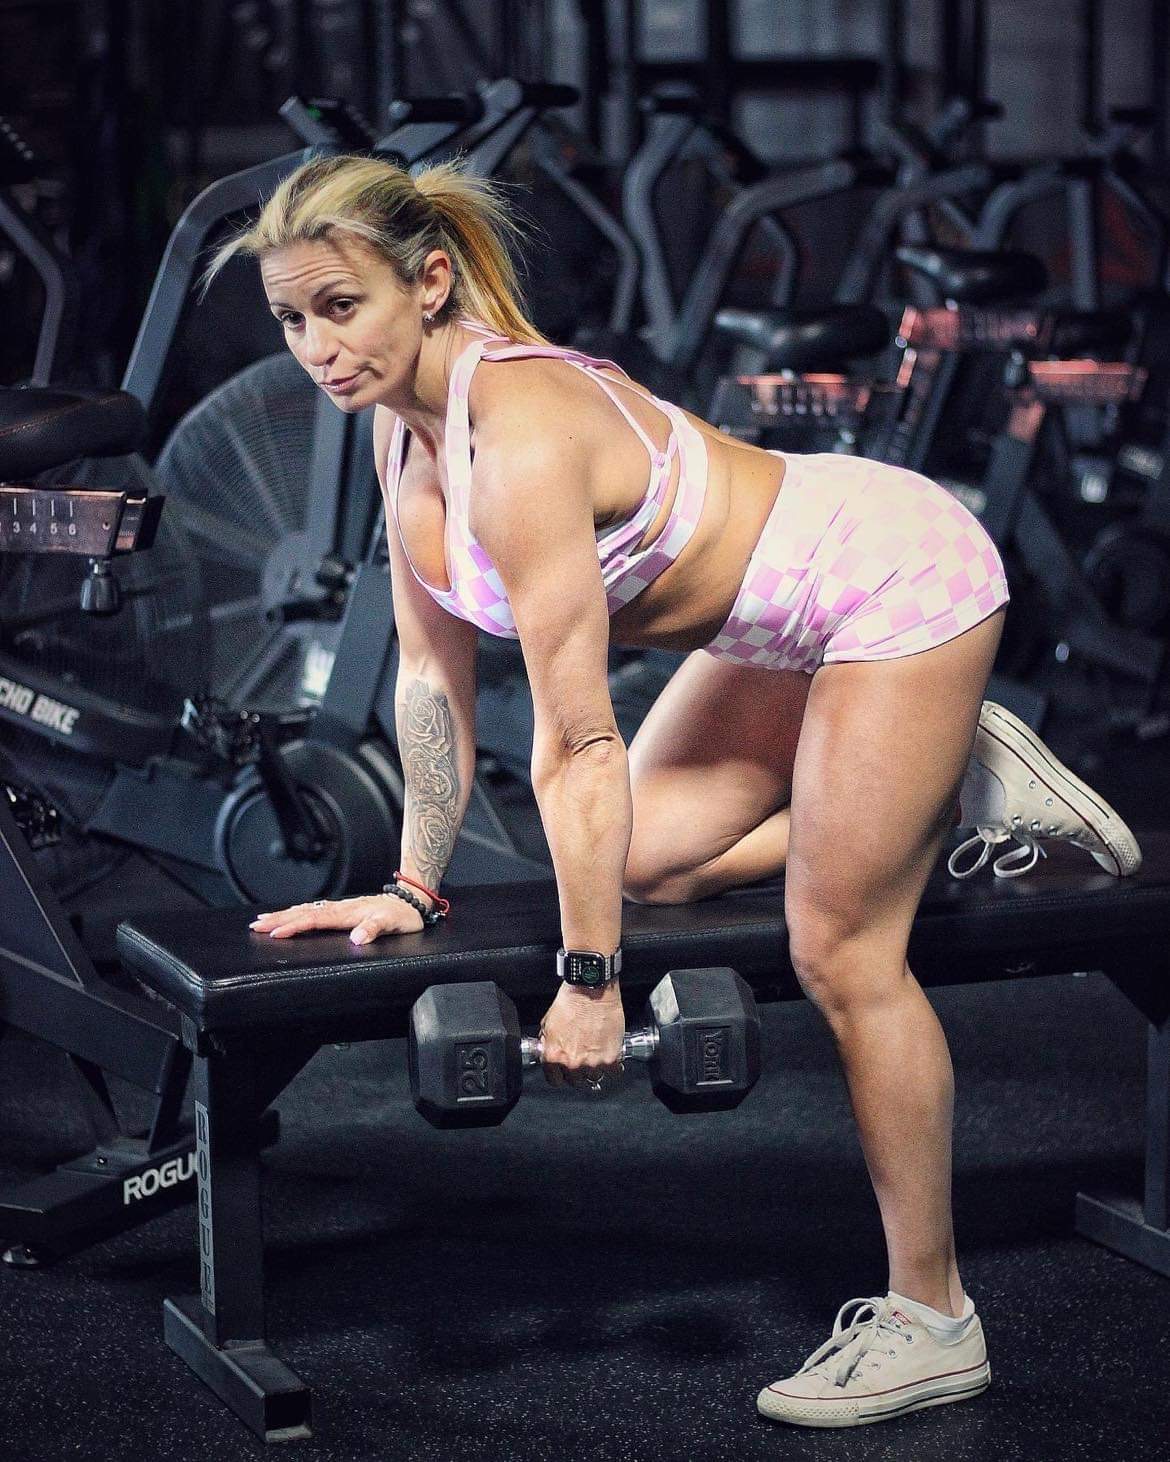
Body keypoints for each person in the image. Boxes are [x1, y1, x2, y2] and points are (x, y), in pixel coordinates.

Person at [233, 155, 1141, 1429]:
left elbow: (578, 744)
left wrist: (591, 980)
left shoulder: (520, 435)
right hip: (772, 631)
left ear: (429, 282)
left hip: (886, 570)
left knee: (840, 947)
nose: (316, 348)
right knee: (644, 858)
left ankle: (935, 1317)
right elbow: (431, 680)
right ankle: (945, 782)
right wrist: (411, 885)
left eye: (341, 307)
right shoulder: (400, 430)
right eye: (290, 318)